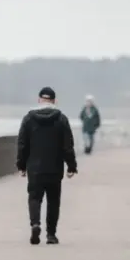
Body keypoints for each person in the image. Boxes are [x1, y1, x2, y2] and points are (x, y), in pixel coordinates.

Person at [16, 87, 77, 245]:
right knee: (53, 200)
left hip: (34, 168)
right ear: (54, 101)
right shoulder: (61, 119)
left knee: (34, 198)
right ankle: (51, 234)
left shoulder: (29, 119)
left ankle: (35, 224)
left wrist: (21, 165)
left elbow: (22, 144)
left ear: (39, 100)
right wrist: (71, 165)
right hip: (55, 167)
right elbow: (68, 145)